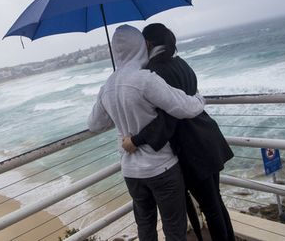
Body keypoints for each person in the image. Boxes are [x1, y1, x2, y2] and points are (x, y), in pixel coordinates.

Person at [88, 24, 206, 241]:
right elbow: (182, 107)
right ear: (141, 47)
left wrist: (119, 113)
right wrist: (199, 98)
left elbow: (95, 124)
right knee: (174, 227)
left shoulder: (108, 86)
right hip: (161, 167)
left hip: (131, 171)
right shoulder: (145, 79)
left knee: (145, 226)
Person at [122, 23, 235, 241]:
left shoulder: (154, 71)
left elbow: (167, 119)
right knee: (215, 203)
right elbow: (189, 99)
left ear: (147, 43)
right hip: (207, 135)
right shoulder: (181, 63)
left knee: (210, 207)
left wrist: (137, 139)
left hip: (191, 146)